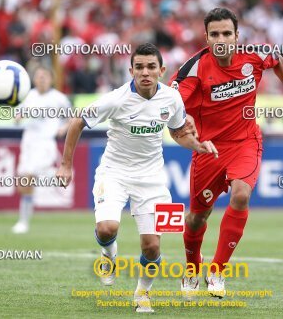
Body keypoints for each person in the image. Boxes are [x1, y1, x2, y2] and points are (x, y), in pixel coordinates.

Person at [56, 43, 217, 313]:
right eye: (139, 67)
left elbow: (178, 133)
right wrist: (65, 166)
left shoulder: (171, 99)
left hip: (152, 177)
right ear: (131, 70)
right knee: (107, 228)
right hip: (114, 172)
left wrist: (197, 144)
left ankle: (142, 293)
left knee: (152, 246)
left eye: (151, 67)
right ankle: (109, 254)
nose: (145, 72)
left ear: (162, 70)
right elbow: (77, 121)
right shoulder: (116, 99)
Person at [169, 7, 283, 299]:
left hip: (245, 142)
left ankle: (217, 271)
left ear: (236, 36)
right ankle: (193, 268)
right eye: (215, 34)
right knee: (196, 218)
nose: (221, 40)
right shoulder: (193, 69)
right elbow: (171, 104)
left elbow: (279, 60)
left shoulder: (254, 55)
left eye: (226, 34)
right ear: (206, 38)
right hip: (208, 150)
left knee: (241, 194)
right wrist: (182, 122)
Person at [11, 66, 71, 234]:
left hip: (45, 143)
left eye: (45, 76)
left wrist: (63, 128)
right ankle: (25, 219)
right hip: (28, 141)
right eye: (38, 76)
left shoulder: (59, 98)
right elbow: (17, 117)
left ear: (51, 79)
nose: (41, 79)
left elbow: (71, 118)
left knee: (29, 176)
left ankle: (23, 223)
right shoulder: (29, 96)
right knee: (23, 182)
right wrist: (18, 117)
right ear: (34, 79)